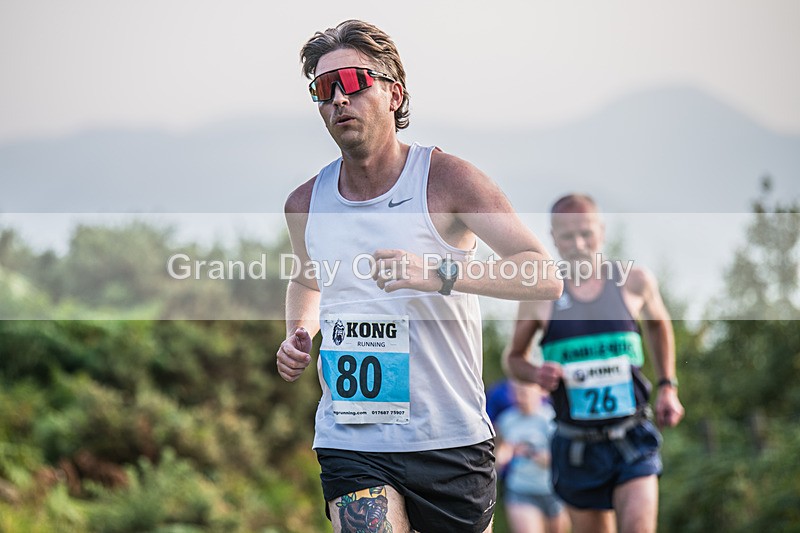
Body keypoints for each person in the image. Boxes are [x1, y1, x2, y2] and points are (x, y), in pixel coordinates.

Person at [275, 20, 562, 533]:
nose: (338, 98)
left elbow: (543, 275)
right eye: (324, 87)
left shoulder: (448, 179)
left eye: (354, 81)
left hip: (450, 439)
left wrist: (437, 273)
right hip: (352, 439)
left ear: (394, 93)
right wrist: (300, 331)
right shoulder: (304, 203)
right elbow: (307, 279)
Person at [506, 194, 685, 533]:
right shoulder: (540, 294)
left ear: (601, 232)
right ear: (553, 237)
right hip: (576, 446)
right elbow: (513, 359)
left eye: (586, 233)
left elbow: (659, 324)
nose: (578, 244)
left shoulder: (633, 281)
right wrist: (536, 372)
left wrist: (667, 386)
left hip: (631, 437)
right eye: (567, 236)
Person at [494, 380, 569, 533]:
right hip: (521, 490)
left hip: (553, 491)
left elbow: (562, 459)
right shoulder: (506, 421)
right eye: (515, 393)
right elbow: (498, 457)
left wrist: (532, 454)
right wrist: (503, 456)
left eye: (524, 393)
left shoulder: (551, 418)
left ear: (539, 393)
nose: (519, 398)